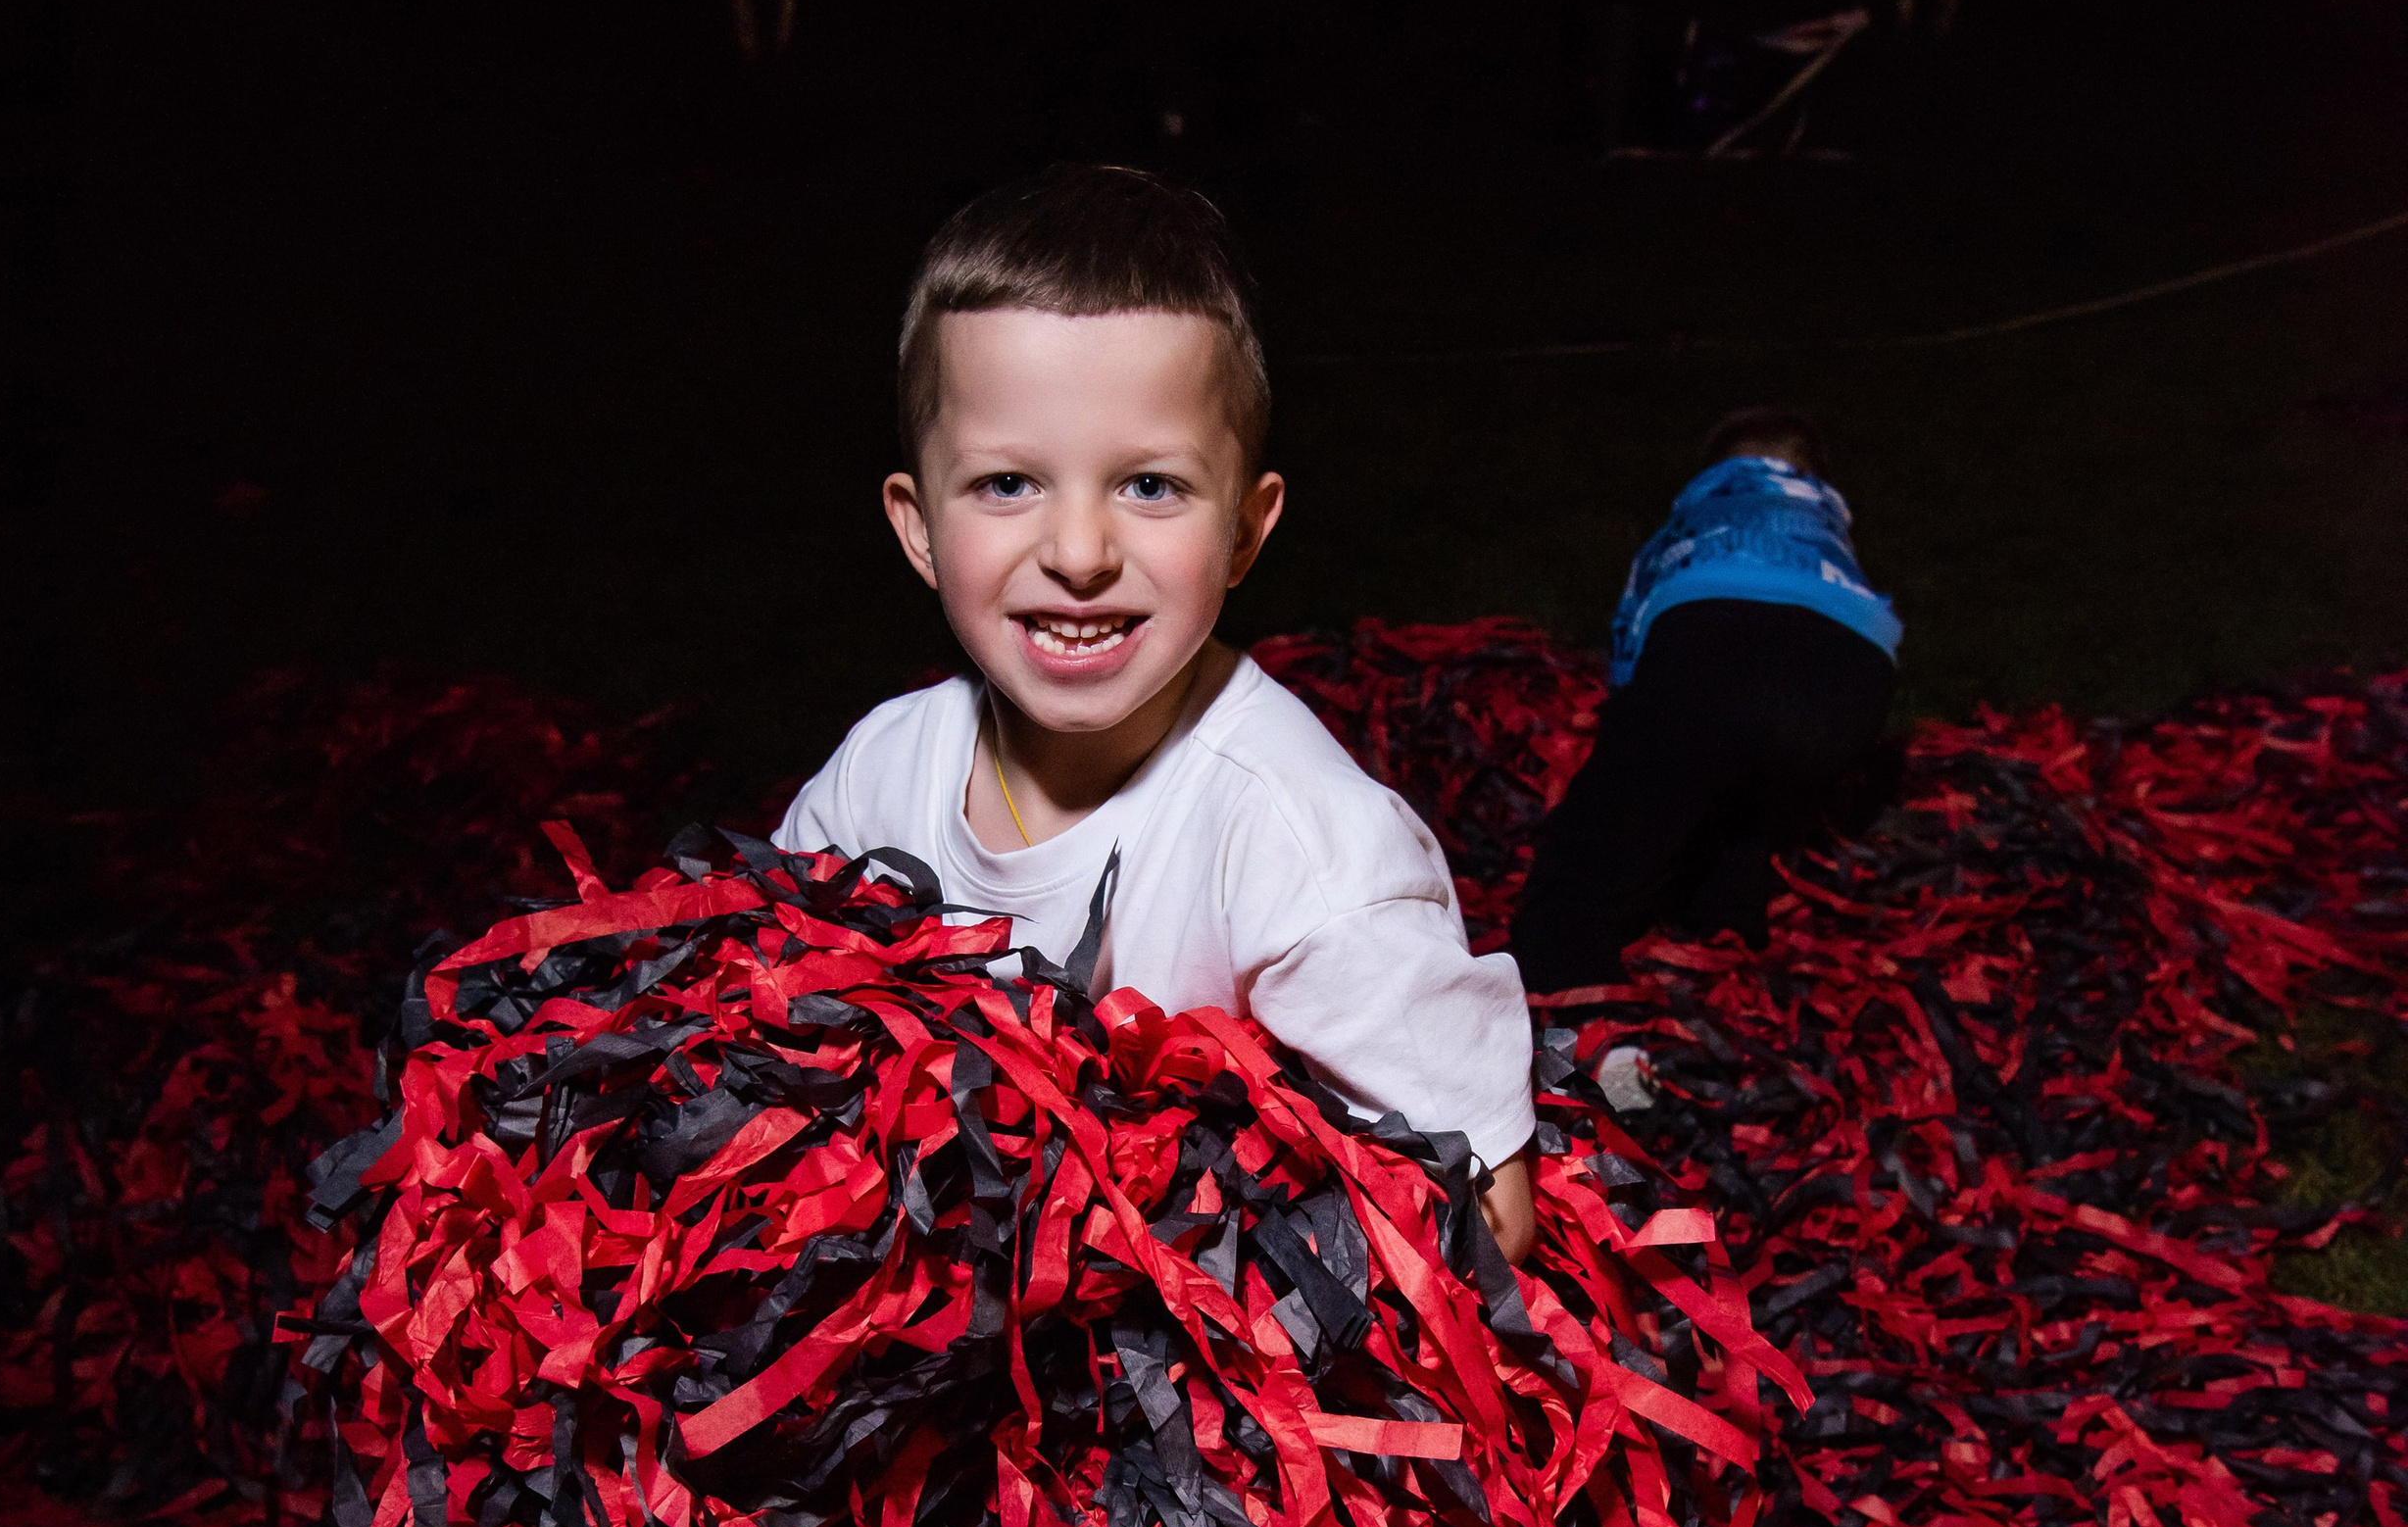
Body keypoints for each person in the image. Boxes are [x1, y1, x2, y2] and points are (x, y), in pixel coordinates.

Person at [779, 164, 1540, 1261]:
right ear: (916, 526)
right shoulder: (876, 777)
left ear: (1243, 529)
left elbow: (1489, 1214)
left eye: (1148, 486)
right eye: (1006, 484)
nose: (1079, 554)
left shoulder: (1305, 854)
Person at [1508, 410, 1901, 999]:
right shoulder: (1826, 527)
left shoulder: (1694, 521)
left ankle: (1577, 1032)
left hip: (1714, 634)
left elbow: (1632, 637)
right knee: (1751, 808)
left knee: (1588, 865)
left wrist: (1631, 723)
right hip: (1855, 673)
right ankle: (1726, 945)